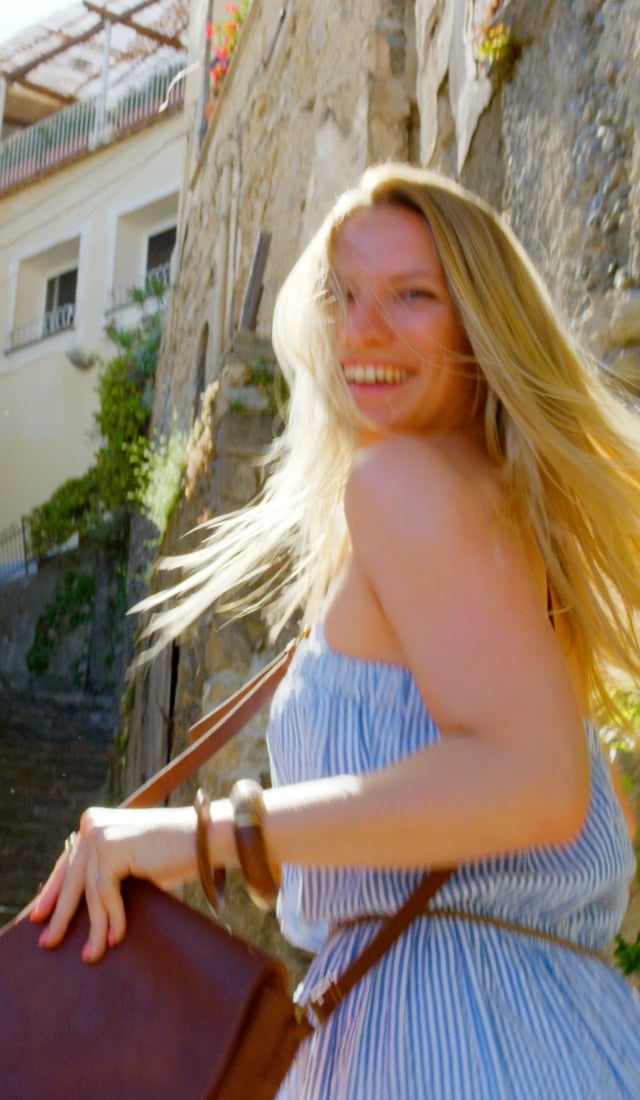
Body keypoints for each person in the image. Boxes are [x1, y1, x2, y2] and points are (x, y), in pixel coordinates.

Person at [31, 163, 640, 1098]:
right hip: (554, 1025)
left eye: (411, 295)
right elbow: (591, 815)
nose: (362, 331)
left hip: (443, 1041)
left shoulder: (402, 484)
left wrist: (202, 835)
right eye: (343, 295)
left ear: (480, 323)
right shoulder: (504, 521)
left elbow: (534, 782)